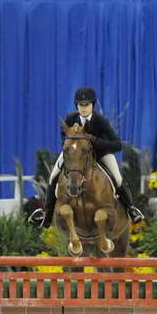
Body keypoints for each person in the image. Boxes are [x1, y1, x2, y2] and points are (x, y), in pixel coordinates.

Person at [28, 87, 145, 228]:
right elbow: (64, 139)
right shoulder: (70, 119)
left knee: (118, 178)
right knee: (53, 177)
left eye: (87, 105)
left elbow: (117, 145)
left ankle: (131, 209)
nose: (83, 108)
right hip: (76, 156)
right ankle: (46, 214)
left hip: (100, 154)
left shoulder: (100, 121)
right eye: (80, 105)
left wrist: (94, 140)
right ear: (76, 106)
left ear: (92, 105)